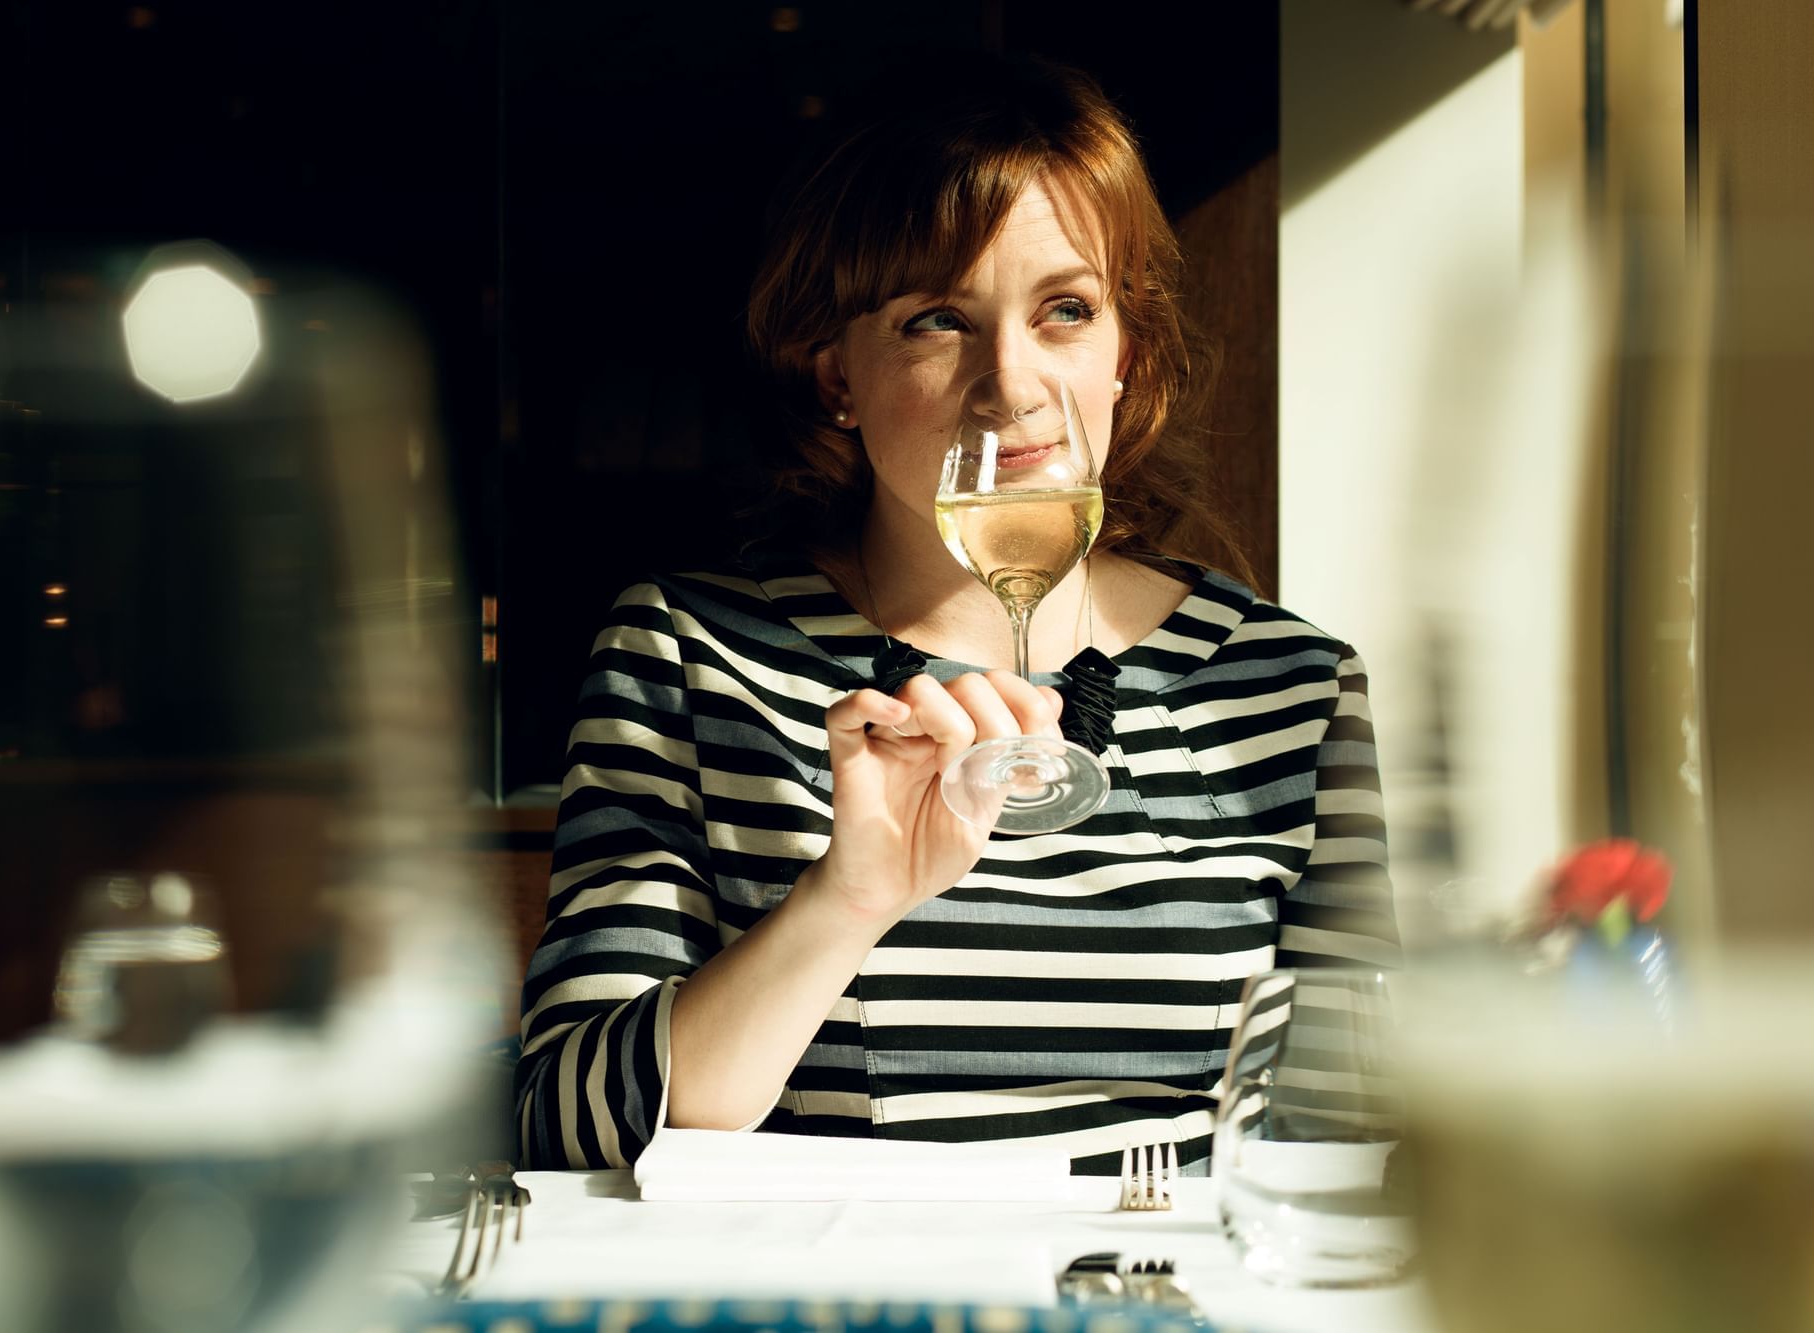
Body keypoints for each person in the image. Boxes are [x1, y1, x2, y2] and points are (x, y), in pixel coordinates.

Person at [515, 56, 1398, 1174]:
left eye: (1065, 311)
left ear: (1124, 351)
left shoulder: (1287, 687)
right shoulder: (689, 656)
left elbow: (1360, 1140)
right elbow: (563, 1124)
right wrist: (848, 899)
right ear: (833, 371)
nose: (1012, 383)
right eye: (938, 319)